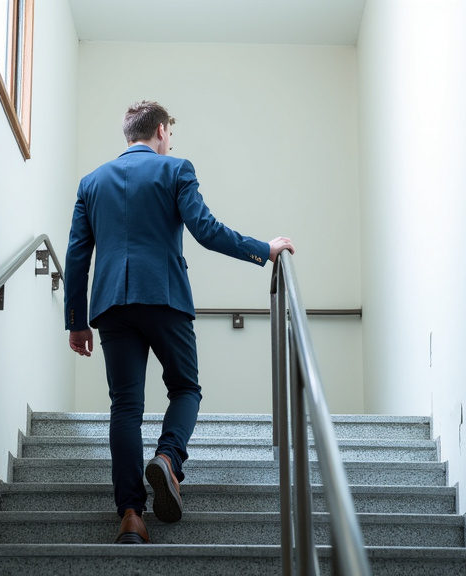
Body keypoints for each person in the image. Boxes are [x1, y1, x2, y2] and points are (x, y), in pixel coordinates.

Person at [63, 101, 295, 545]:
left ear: (129, 135)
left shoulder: (91, 183)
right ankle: (168, 459)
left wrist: (77, 321)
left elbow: (77, 254)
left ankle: (131, 515)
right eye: (170, 134)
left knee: (125, 406)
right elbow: (205, 230)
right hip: (165, 298)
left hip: (111, 305)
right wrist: (262, 249)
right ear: (162, 131)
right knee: (186, 389)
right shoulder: (175, 170)